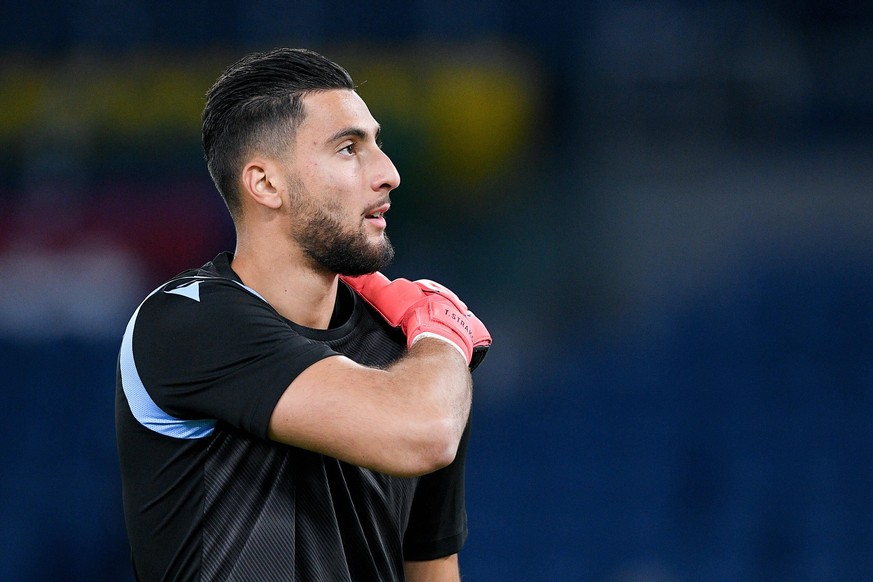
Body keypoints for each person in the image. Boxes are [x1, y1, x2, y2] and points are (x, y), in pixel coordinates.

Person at [115, 47, 491, 581]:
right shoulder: (184, 321)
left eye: (376, 143)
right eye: (348, 148)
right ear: (266, 184)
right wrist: (444, 337)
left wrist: (432, 345)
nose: (389, 173)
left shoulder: (414, 356)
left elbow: (430, 568)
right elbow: (423, 429)